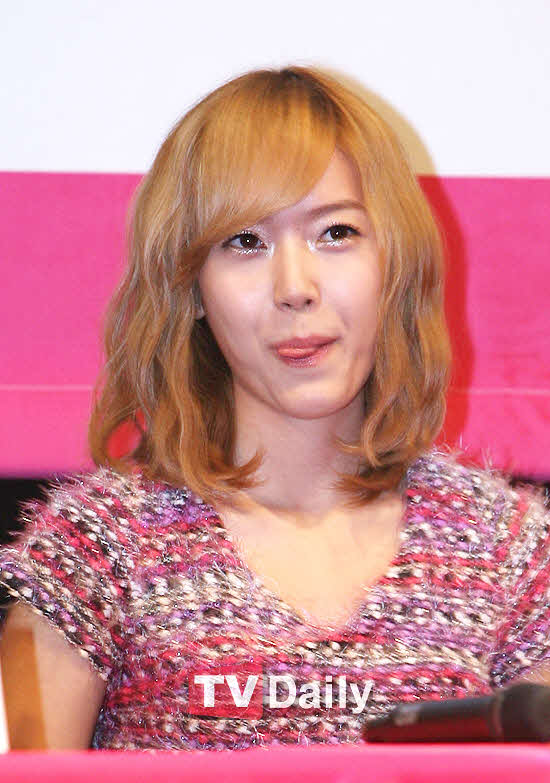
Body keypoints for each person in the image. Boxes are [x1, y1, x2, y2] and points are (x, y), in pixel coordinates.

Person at [1, 64, 550, 752]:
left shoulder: (507, 550)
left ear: (396, 260)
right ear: (191, 287)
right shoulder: (96, 551)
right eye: (245, 242)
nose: (295, 286)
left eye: (336, 233)